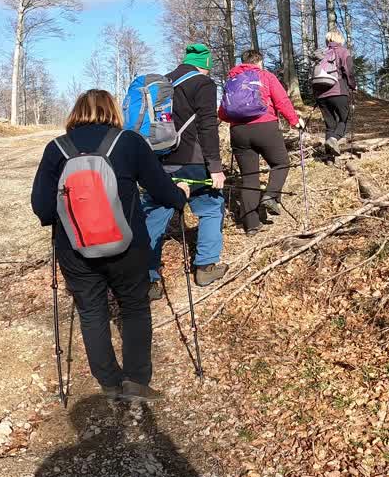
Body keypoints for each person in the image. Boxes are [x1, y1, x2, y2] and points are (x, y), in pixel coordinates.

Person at [30, 89, 188, 402]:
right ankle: (137, 382)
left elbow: (43, 209)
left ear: (75, 113)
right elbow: (163, 192)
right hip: (127, 246)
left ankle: (110, 383)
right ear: (112, 111)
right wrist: (180, 194)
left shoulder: (56, 149)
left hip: (75, 248)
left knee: (91, 312)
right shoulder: (129, 142)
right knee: (133, 307)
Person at [143, 43, 228, 300]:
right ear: (205, 64)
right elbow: (207, 127)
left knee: (154, 216)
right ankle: (205, 266)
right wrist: (215, 167)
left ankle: (148, 279)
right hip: (193, 161)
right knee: (212, 206)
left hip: (160, 160)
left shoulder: (161, 83)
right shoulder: (203, 84)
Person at [218, 49, 305, 235]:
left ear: (243, 62)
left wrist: (238, 121)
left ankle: (251, 226)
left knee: (249, 177)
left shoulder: (232, 80)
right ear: (259, 62)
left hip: (238, 131)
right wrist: (294, 121)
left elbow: (222, 113)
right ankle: (271, 196)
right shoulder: (265, 76)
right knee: (281, 163)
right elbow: (281, 100)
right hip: (265, 127)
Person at [314, 28, 356, 155]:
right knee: (344, 119)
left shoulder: (320, 54)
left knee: (329, 124)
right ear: (340, 40)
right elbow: (349, 71)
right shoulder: (343, 52)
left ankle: (329, 158)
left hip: (321, 94)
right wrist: (353, 86)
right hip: (338, 90)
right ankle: (334, 139)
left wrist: (316, 95)